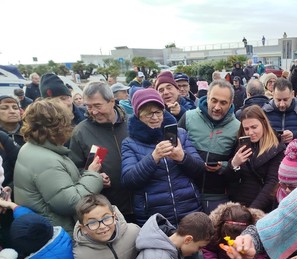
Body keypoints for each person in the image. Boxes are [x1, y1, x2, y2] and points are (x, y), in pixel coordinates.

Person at [14, 99, 103, 234]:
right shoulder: (46, 160)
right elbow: (71, 203)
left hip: (46, 228)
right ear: (57, 127)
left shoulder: (31, 147)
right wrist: (92, 175)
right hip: (60, 232)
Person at [121, 88, 204, 226]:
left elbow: (200, 169)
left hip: (189, 210)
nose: (155, 117)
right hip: (155, 218)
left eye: (158, 112)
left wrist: (183, 158)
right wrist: (153, 158)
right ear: (138, 115)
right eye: (148, 114)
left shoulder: (180, 134)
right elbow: (129, 180)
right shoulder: (130, 143)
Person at [69, 81, 133, 222]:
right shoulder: (81, 132)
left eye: (98, 105)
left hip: (141, 202)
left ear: (112, 101)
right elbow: (74, 169)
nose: (93, 111)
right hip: (108, 209)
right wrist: (93, 177)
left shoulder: (132, 124)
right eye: (88, 106)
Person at [177, 80, 239, 214]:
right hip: (187, 193)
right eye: (214, 100)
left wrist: (223, 166)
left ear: (231, 103)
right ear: (207, 97)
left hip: (217, 196)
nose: (217, 107)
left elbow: (240, 164)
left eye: (223, 103)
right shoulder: (188, 117)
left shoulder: (237, 128)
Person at [226, 105, 286, 212]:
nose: (250, 132)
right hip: (239, 205)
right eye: (246, 129)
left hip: (261, 208)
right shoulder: (242, 144)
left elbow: (272, 184)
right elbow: (230, 180)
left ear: (263, 124)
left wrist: (252, 211)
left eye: (254, 127)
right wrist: (234, 164)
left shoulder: (277, 148)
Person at [262, 78, 297, 142]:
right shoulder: (264, 113)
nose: (282, 104)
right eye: (278, 100)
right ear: (273, 94)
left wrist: (295, 135)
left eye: (285, 100)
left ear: (292, 94)